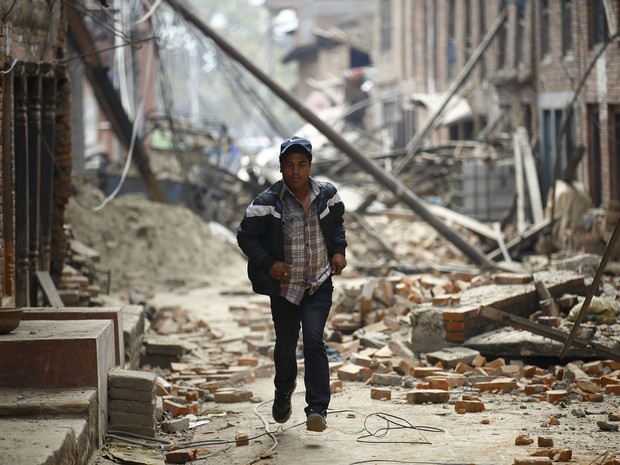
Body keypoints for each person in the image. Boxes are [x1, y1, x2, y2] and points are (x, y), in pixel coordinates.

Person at [236, 136, 347, 432]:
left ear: (310, 166)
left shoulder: (328, 195)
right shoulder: (266, 204)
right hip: (285, 289)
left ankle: (317, 409)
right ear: (282, 168)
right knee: (285, 347)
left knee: (313, 340)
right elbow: (245, 237)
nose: (296, 171)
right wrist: (269, 263)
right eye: (289, 165)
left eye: (302, 165)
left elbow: (337, 224)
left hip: (317, 283)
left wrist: (339, 251)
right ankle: (283, 393)